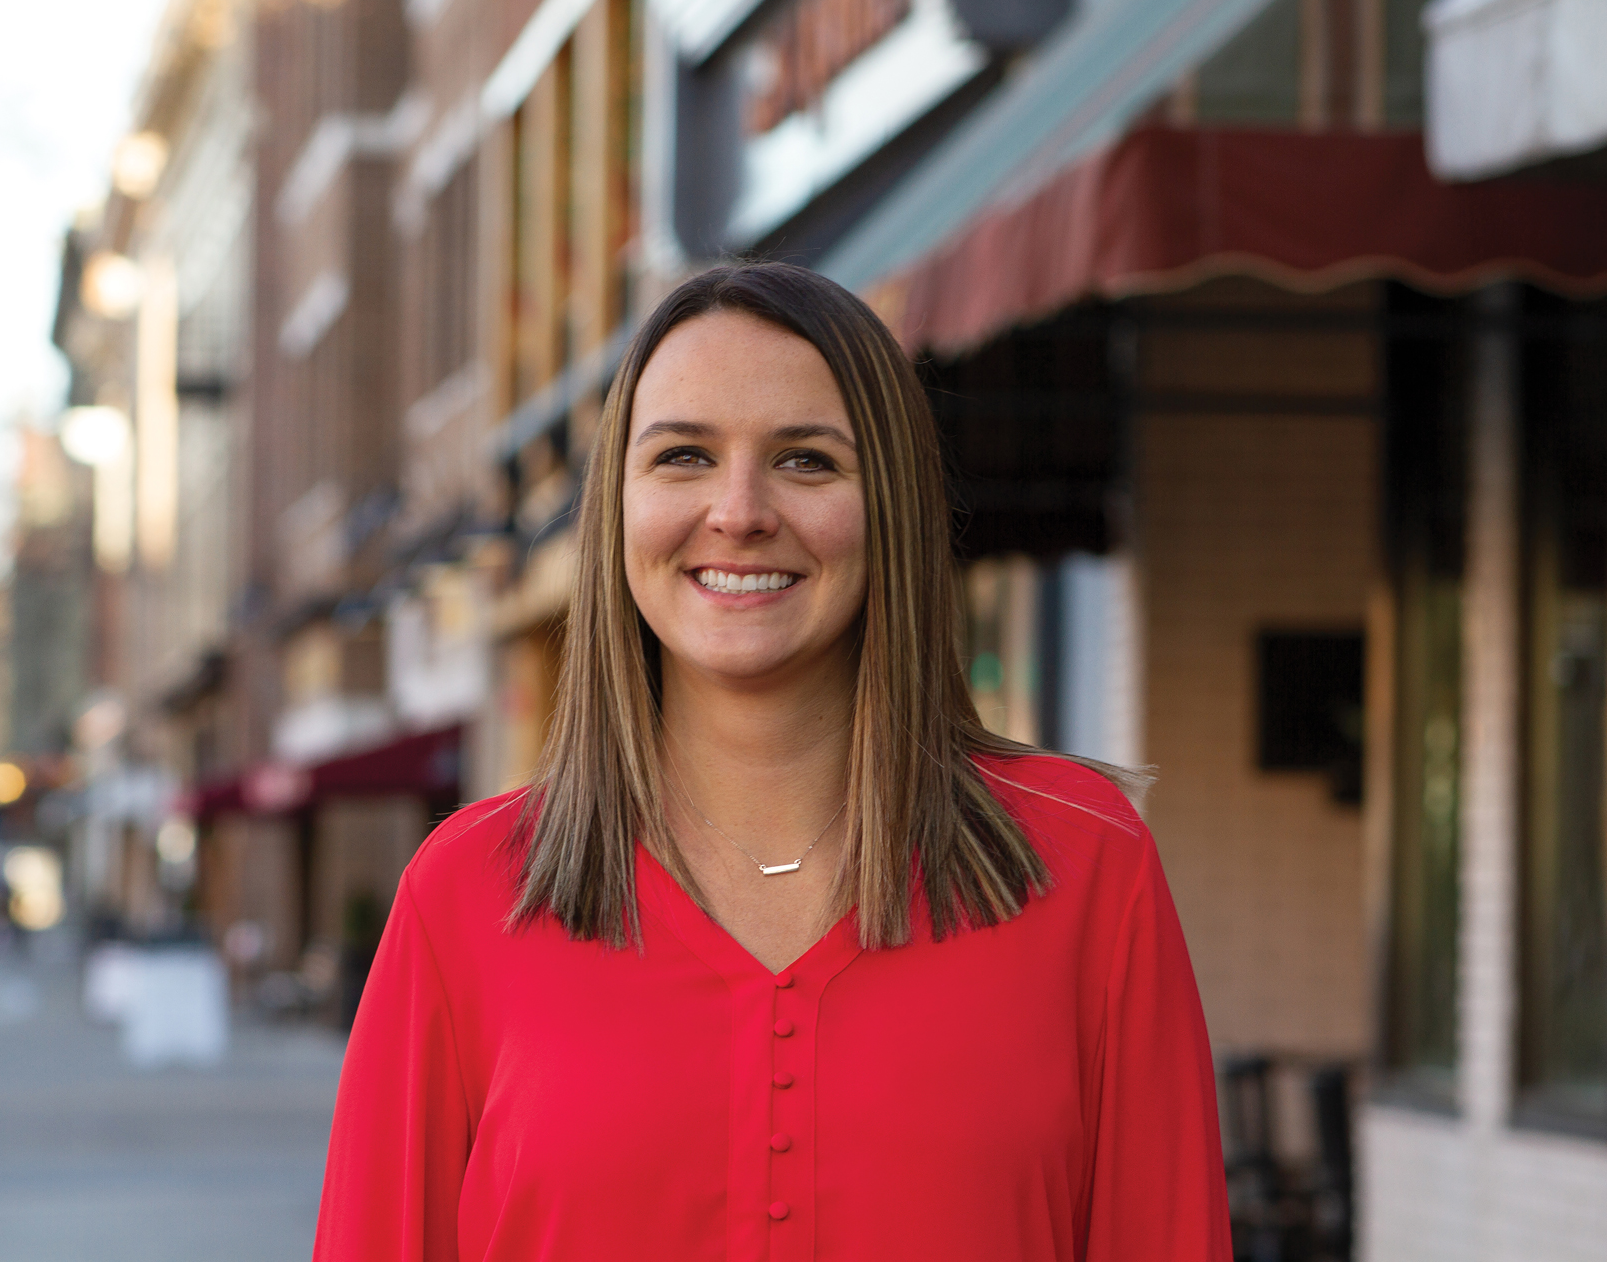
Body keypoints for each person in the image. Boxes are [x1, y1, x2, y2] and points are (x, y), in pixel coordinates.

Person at [314, 263, 1228, 1261]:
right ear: (615, 510)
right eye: (682, 457)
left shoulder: (1081, 866)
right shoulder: (464, 895)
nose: (739, 509)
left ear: (891, 507)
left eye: (804, 461)